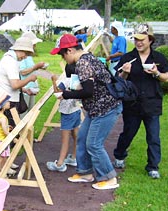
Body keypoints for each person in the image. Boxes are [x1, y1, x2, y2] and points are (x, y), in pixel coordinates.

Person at [50, 34, 122, 190]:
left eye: (62, 55)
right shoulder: (88, 58)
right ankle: (84, 172)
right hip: (96, 108)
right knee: (82, 137)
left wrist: (66, 94)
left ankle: (109, 177)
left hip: (105, 108)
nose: (63, 59)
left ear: (69, 50)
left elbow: (88, 91)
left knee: (94, 144)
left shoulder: (83, 63)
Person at [112, 23, 168, 179]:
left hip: (152, 102)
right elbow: (118, 80)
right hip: (132, 103)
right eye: (136, 39)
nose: (138, 42)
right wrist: (124, 73)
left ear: (150, 40)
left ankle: (153, 167)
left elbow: (166, 78)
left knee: (153, 136)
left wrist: (156, 72)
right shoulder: (127, 58)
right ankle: (119, 154)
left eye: (142, 39)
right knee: (128, 133)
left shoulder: (158, 58)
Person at [0, 37, 37, 164]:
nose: (25, 57)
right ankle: (2, 163)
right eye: (26, 54)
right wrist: (30, 79)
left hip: (7, 100)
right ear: (21, 50)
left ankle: (6, 161)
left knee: (8, 132)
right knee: (5, 133)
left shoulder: (10, 60)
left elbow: (11, 84)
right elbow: (14, 84)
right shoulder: (11, 61)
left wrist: (24, 90)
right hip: (4, 102)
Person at [46, 63, 81, 172]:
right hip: (76, 110)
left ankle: (60, 163)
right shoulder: (78, 80)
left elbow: (57, 94)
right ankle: (74, 157)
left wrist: (53, 81)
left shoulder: (66, 81)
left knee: (65, 139)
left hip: (67, 113)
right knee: (76, 135)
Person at [19, 31, 46, 118]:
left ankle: (28, 131)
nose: (35, 47)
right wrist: (35, 67)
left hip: (31, 87)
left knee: (31, 114)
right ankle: (22, 131)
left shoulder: (29, 56)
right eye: (33, 44)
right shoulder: (22, 56)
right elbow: (22, 71)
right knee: (23, 114)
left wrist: (38, 67)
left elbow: (30, 68)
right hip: (25, 88)